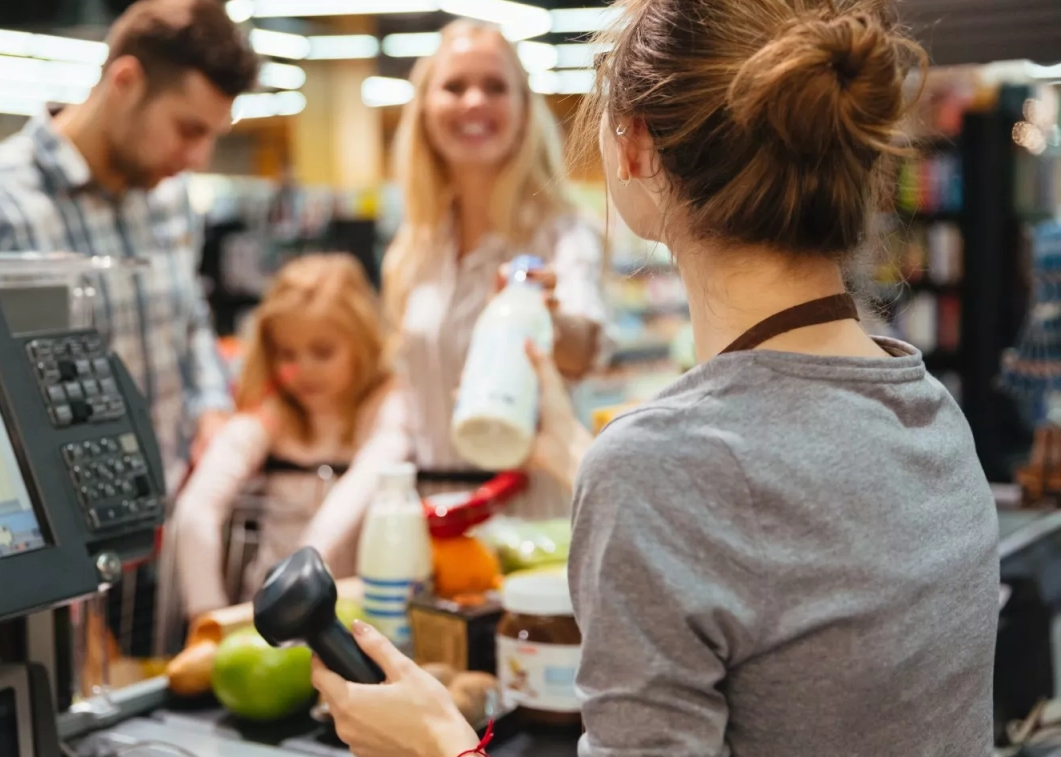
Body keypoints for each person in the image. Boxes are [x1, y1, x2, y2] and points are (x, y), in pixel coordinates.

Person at [310, 1, 1000, 756]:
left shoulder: (663, 466)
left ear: (634, 146)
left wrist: (442, 743)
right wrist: (573, 449)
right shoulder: (930, 411)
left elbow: (706, 503)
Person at [0, 0, 259, 491]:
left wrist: (210, 408)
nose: (199, 158)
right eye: (188, 130)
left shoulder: (168, 196)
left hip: (174, 513)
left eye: (212, 136)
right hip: (59, 536)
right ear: (125, 82)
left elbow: (189, 322)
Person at [365, 18, 611, 521]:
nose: (474, 101)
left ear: (524, 110)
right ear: (425, 111)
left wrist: (540, 314)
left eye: (495, 87)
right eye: (454, 87)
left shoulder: (561, 233)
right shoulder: (414, 250)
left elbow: (587, 348)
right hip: (434, 517)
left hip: (534, 517)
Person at [171, 254, 400, 618]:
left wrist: (304, 570)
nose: (303, 369)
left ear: (363, 342)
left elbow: (370, 477)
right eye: (287, 353)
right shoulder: (270, 417)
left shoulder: (389, 407)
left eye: (322, 352)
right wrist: (207, 613)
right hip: (269, 616)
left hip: (362, 613)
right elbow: (196, 508)